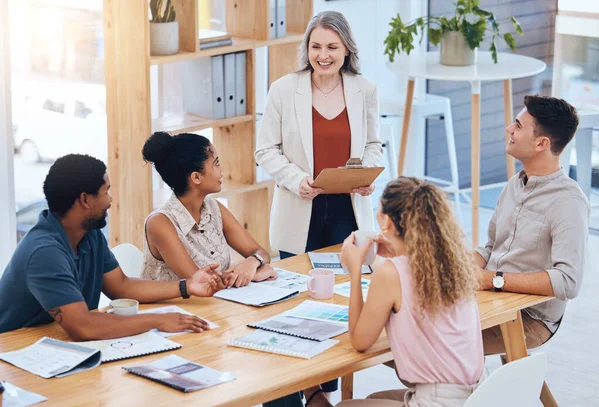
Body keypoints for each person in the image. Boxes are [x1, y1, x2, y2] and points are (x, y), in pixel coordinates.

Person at [256, 11, 382, 404]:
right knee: (299, 301)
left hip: (347, 209)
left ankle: (322, 390)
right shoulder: (283, 89)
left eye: (331, 47)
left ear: (346, 50)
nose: (322, 55)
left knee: (342, 298)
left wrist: (366, 173)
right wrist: (297, 180)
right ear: (306, 49)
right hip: (301, 209)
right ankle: (298, 387)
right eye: (315, 46)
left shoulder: (364, 89)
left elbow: (375, 144)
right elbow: (265, 150)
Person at [0, 154, 225, 339]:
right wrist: (158, 320)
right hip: (14, 354)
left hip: (54, 344)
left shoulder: (89, 234)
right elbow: (83, 327)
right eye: (106, 191)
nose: (110, 200)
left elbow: (121, 286)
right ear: (85, 200)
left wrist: (187, 286)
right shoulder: (44, 252)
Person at [336, 177, 484, 407]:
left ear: (388, 223)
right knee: (372, 400)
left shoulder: (390, 273)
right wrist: (395, 255)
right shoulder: (454, 262)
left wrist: (355, 270)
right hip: (475, 396)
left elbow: (360, 341)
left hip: (436, 401)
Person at [474, 95, 589, 354]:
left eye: (518, 126)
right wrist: (464, 267)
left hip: (529, 318)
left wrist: (493, 280)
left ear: (541, 143)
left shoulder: (569, 201)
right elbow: (491, 248)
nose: (509, 129)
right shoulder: (515, 183)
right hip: (491, 300)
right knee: (409, 322)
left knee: (432, 342)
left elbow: (568, 282)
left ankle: (449, 392)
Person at [141, 131, 276, 287]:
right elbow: (202, 283)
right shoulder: (160, 223)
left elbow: (262, 253)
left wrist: (252, 263)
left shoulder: (214, 208)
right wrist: (251, 275)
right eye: (216, 163)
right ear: (196, 177)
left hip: (218, 303)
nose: (222, 170)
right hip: (174, 308)